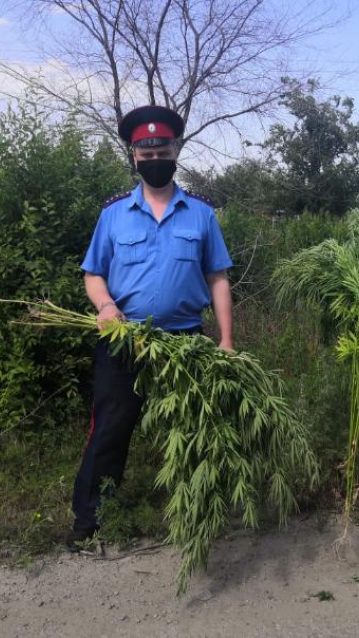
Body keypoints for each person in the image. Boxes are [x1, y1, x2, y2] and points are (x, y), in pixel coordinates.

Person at [66, 105, 234, 551]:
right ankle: (91, 517)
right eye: (146, 150)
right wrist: (104, 305)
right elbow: (92, 272)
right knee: (111, 426)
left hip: (184, 341)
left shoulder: (201, 215)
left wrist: (226, 340)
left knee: (193, 425)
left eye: (162, 148)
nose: (154, 155)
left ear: (176, 150)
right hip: (126, 340)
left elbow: (218, 278)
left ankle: (194, 510)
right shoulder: (114, 215)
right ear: (134, 156)